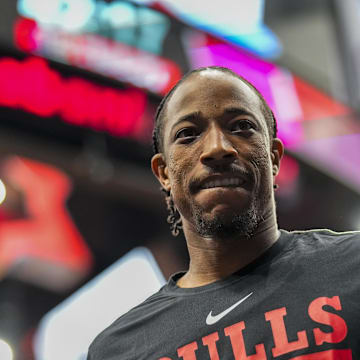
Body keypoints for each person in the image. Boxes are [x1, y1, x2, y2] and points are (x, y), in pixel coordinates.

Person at [87, 66, 360, 360]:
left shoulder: (353, 267)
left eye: (241, 126)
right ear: (163, 173)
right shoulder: (119, 351)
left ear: (274, 158)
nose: (217, 148)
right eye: (188, 134)